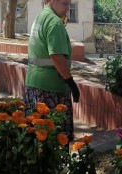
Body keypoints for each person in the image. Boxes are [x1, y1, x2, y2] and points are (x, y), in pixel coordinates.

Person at [25, 0, 80, 141]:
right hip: (51, 89)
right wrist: (71, 83)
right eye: (65, 3)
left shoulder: (41, 16)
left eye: (69, 4)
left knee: (37, 137)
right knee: (54, 138)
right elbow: (56, 56)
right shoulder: (55, 23)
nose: (67, 8)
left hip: (34, 83)